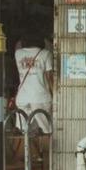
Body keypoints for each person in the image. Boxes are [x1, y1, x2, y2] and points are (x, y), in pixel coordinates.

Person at [13, 32, 55, 161]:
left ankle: (29, 158)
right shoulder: (45, 54)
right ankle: (48, 159)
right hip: (40, 97)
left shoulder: (18, 54)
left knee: (25, 131)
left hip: (22, 98)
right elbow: (49, 77)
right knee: (46, 130)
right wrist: (55, 94)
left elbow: (17, 45)